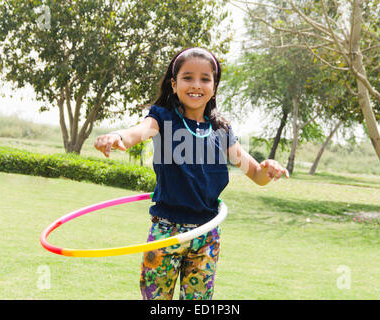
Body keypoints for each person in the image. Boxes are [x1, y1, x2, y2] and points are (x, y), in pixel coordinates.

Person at [94, 47, 289, 300]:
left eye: (205, 79)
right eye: (187, 77)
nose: (196, 85)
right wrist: (117, 136)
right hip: (165, 232)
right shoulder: (162, 119)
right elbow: (137, 133)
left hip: (207, 234)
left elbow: (256, 175)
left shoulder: (222, 131)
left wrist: (268, 168)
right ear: (174, 84)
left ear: (214, 87)